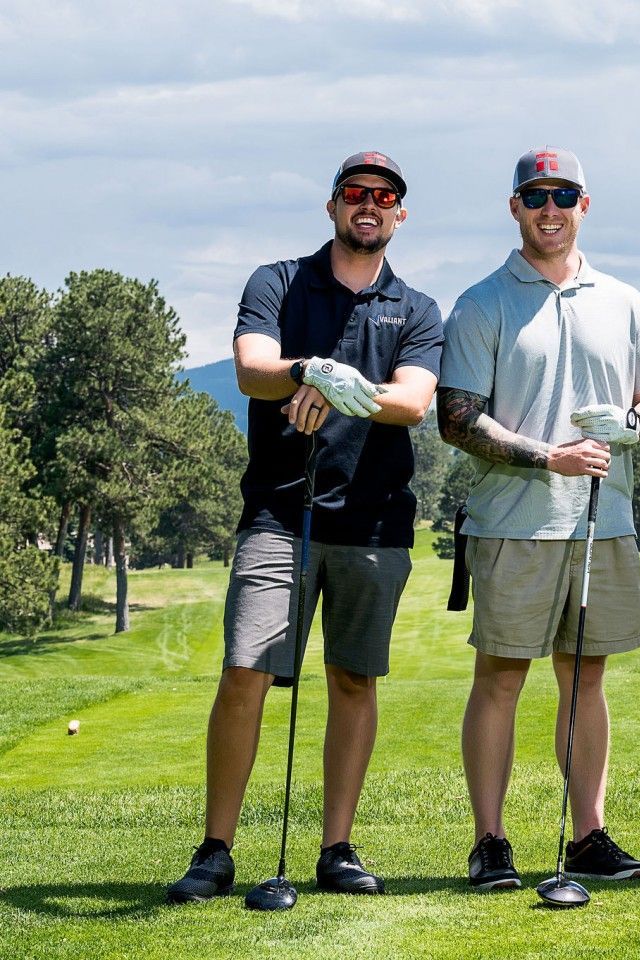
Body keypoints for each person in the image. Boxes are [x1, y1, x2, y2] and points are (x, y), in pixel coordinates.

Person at [166, 151, 443, 902]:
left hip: (375, 520)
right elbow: (255, 367)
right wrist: (308, 372)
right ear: (332, 206)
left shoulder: (415, 309)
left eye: (384, 197)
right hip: (280, 515)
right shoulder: (279, 281)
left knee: (354, 679)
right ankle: (214, 849)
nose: (369, 204)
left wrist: (346, 389)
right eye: (356, 193)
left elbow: (414, 402)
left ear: (399, 215)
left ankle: (337, 850)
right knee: (246, 670)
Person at [437, 146, 640, 891]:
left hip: (603, 523)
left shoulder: (624, 299)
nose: (550, 209)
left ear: (584, 204)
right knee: (500, 678)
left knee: (585, 679)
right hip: (513, 522)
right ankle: (490, 842)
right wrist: (548, 457)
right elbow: (456, 418)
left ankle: (587, 836)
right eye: (536, 197)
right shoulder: (482, 302)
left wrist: (634, 424)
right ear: (514, 207)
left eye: (563, 195)